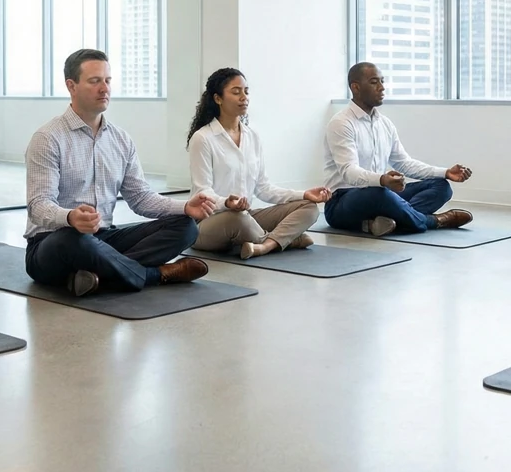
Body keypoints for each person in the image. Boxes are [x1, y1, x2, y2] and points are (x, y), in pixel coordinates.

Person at [24, 49, 215, 297]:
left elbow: (141, 198)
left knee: (186, 227)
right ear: (71, 86)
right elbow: (38, 206)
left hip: (103, 239)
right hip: (52, 244)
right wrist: (69, 217)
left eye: (108, 80)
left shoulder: (120, 139)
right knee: (72, 240)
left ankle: (96, 276)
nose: (104, 88)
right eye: (95, 81)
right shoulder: (48, 138)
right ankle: (156, 274)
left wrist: (185, 207)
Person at [187, 68, 330, 259]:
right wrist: (227, 203)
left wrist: (304, 194)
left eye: (246, 91)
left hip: (247, 216)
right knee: (238, 219)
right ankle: (287, 239)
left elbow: (264, 188)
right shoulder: (203, 138)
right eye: (236, 92)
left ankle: (265, 245)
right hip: (209, 222)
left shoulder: (252, 136)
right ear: (218, 98)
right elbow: (202, 192)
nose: (244, 97)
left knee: (309, 207)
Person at [321, 62, 473, 236]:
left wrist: (445, 172)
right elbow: (349, 172)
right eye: (374, 82)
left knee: (441, 186)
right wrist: (382, 180)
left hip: (382, 194)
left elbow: (404, 163)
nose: (382, 87)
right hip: (342, 202)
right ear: (355, 87)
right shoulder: (341, 123)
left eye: (382, 81)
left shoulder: (385, 124)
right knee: (379, 193)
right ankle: (434, 221)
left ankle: (386, 222)